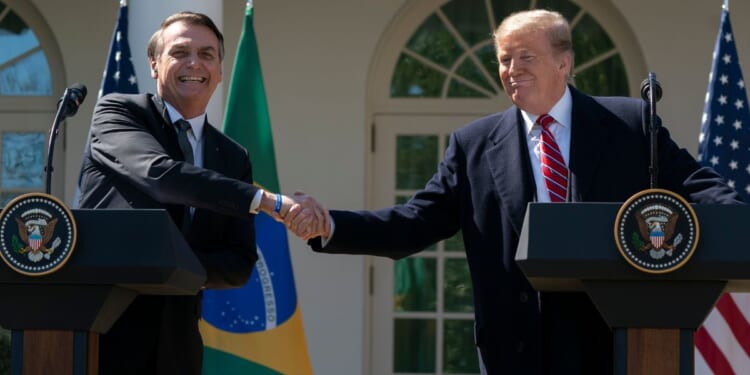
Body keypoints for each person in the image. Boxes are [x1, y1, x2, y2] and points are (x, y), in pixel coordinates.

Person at [287, 9, 742, 375]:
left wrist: (742, 222)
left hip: (612, 338)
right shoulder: (474, 145)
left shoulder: (628, 123)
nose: (510, 70)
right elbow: (416, 223)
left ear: (563, 62)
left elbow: (698, 184)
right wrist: (332, 225)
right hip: (516, 347)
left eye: (525, 57)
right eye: (504, 59)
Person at [77, 11, 322, 374]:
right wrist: (266, 200)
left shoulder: (233, 156)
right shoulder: (118, 113)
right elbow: (159, 175)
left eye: (207, 54)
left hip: (178, 347)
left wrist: (167, 266)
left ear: (220, 72)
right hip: (104, 335)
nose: (195, 63)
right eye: (179, 52)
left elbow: (238, 264)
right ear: (155, 65)